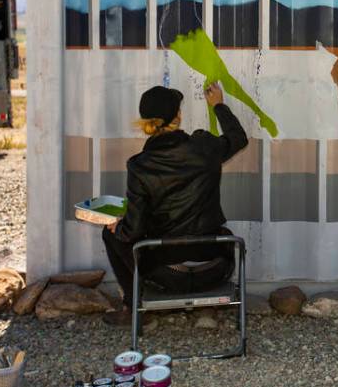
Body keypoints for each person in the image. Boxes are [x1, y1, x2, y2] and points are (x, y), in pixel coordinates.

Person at [101, 82, 248, 326]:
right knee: (223, 233)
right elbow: (238, 138)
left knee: (112, 235)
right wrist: (218, 105)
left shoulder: (140, 165)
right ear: (178, 117)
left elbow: (133, 231)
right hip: (214, 267)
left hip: (166, 274)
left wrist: (120, 226)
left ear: (145, 121)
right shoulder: (204, 147)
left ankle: (133, 309)